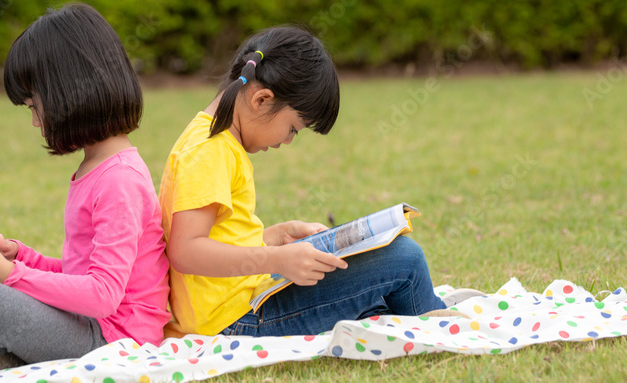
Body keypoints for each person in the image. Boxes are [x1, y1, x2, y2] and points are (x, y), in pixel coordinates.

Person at [0, 3, 171, 377]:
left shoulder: (121, 180)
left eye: (35, 106)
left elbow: (102, 295)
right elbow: (78, 272)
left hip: (110, 339)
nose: (35, 121)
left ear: (71, 92)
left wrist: (8, 275)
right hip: (84, 321)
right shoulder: (96, 167)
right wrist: (22, 258)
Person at [158, 26, 459, 339]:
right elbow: (185, 251)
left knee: (373, 281)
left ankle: (420, 313)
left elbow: (218, 237)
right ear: (262, 99)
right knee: (404, 258)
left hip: (242, 304)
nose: (288, 141)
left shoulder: (213, 140)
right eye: (293, 128)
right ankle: (439, 325)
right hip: (235, 323)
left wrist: (276, 237)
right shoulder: (208, 150)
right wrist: (277, 260)